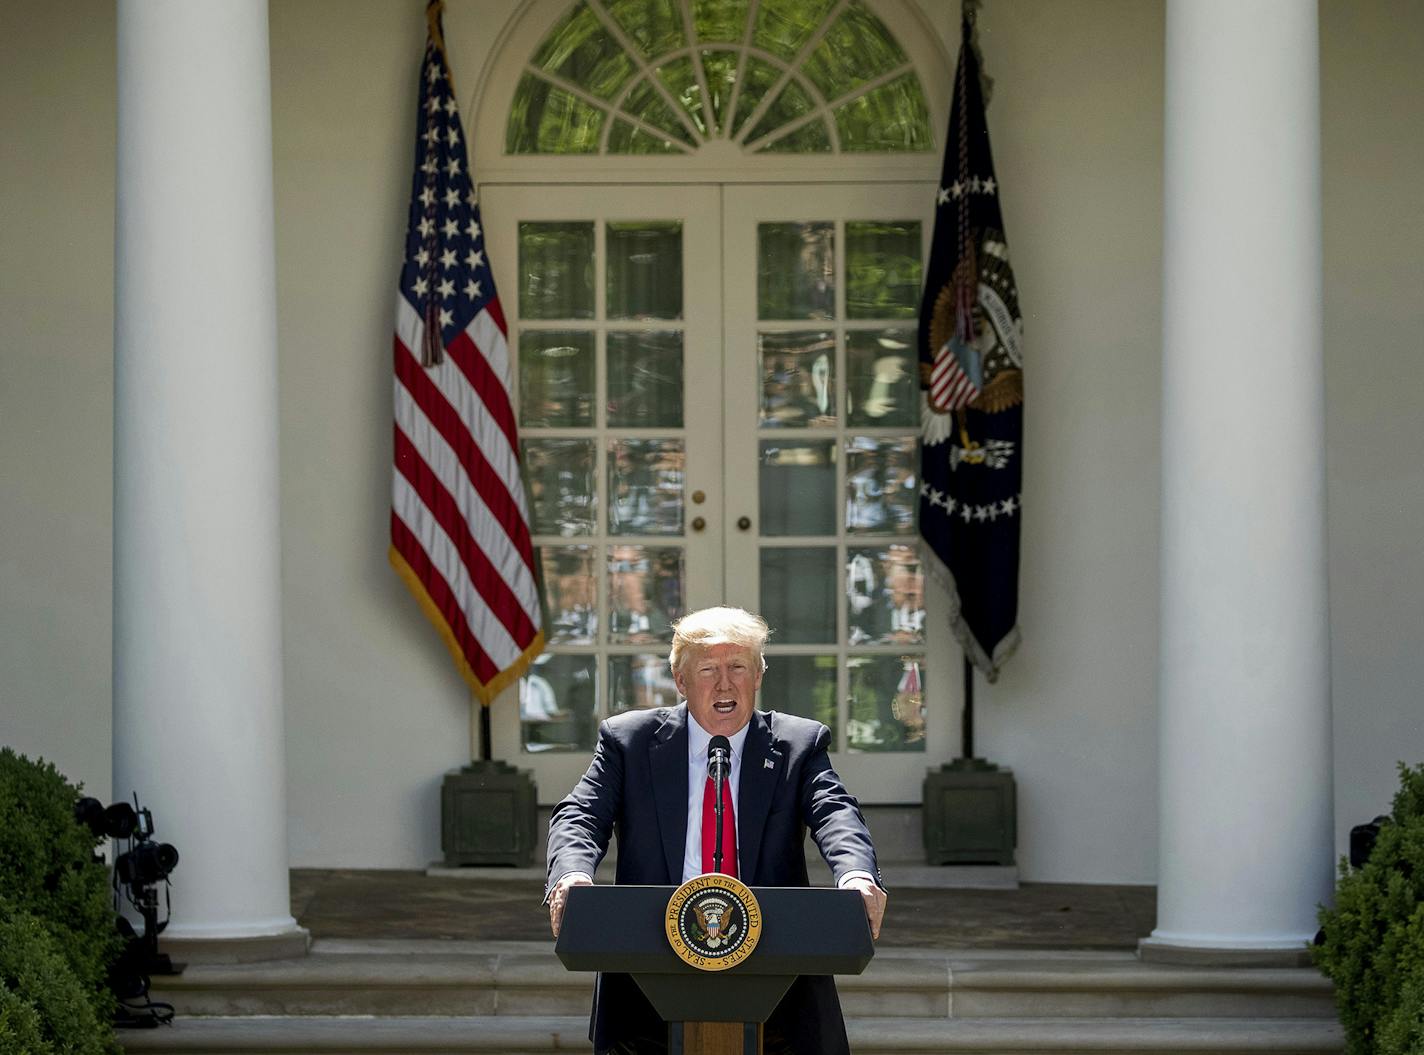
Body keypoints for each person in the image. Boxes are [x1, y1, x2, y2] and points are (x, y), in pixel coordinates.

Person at [545, 606, 888, 1055]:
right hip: (648, 974)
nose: (724, 684)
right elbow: (579, 815)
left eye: (738, 667)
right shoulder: (628, 741)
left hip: (775, 978)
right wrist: (570, 875)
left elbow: (835, 812)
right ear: (681, 681)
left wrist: (857, 876)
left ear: (759, 675)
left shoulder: (798, 744)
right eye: (708, 670)